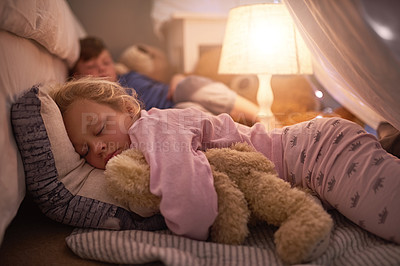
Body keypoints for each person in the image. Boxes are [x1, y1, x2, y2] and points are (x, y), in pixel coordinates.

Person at [51, 77, 400, 244]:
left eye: (98, 129)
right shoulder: (147, 134)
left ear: (128, 108)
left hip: (316, 155)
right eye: (83, 151)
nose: (95, 149)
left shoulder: (154, 127)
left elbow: (194, 205)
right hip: (311, 147)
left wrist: (182, 232)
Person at [70, 36, 260, 125]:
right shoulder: (99, 101)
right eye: (92, 67)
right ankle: (244, 136)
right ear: (78, 76)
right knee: (189, 111)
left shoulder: (129, 75)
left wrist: (178, 78)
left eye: (106, 62)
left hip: (175, 93)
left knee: (188, 86)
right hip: (170, 114)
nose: (102, 69)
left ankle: (263, 117)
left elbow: (167, 76)